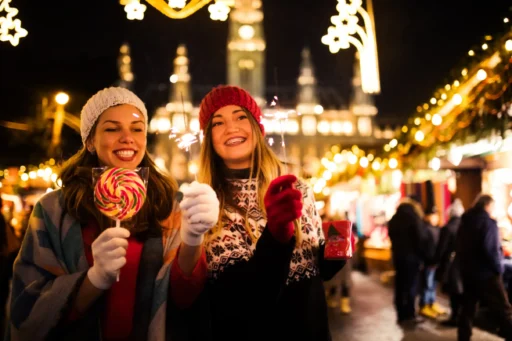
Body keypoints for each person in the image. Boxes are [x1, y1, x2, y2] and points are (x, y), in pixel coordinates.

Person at [6, 87, 219, 341]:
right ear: (90, 141)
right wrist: (93, 280)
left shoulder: (169, 207)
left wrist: (193, 239)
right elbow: (26, 311)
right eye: (112, 128)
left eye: (137, 128)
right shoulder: (53, 211)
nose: (128, 137)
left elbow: (185, 298)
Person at [197, 85, 346, 341]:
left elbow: (314, 270)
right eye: (218, 123)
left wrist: (338, 245)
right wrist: (276, 236)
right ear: (208, 138)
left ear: (258, 127)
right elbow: (242, 299)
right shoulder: (207, 203)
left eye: (241, 116)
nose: (232, 127)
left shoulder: (297, 186)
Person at [457, 194, 512, 341]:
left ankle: (463, 337)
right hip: (487, 273)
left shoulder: (465, 221)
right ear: (488, 206)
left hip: (469, 272)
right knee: (504, 308)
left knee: (468, 308)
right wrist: (498, 268)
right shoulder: (488, 223)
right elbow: (491, 250)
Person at [388, 197, 428, 326]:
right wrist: (423, 255)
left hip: (398, 257)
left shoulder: (394, 219)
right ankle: (410, 314)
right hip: (412, 258)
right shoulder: (414, 218)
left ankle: (401, 314)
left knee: (400, 285)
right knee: (411, 285)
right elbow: (420, 238)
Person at [435, 198, 464, 326]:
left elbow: (441, 249)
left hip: (451, 263)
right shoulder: (465, 226)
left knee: (454, 292)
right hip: (463, 263)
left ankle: (455, 317)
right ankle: (461, 316)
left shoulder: (447, 228)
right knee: (461, 291)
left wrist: (437, 263)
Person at [419, 205, 446, 318]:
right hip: (428, 262)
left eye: (436, 215)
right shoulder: (424, 229)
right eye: (432, 215)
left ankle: (431, 302)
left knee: (433, 284)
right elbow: (424, 247)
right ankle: (424, 305)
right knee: (427, 284)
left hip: (435, 262)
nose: (435, 218)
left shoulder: (437, 229)